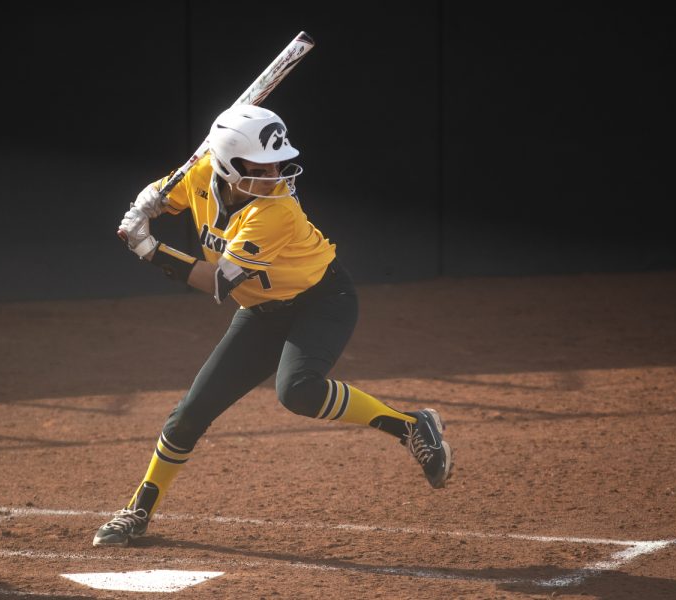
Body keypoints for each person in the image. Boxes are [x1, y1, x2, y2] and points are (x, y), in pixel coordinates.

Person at [92, 105, 453, 547]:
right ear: (227, 164)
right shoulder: (203, 172)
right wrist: (150, 197)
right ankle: (137, 512)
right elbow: (169, 194)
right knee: (189, 414)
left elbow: (218, 283)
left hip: (322, 300)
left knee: (298, 389)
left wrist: (151, 249)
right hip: (263, 309)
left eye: (278, 162)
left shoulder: (277, 211)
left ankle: (409, 426)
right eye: (262, 166)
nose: (276, 172)